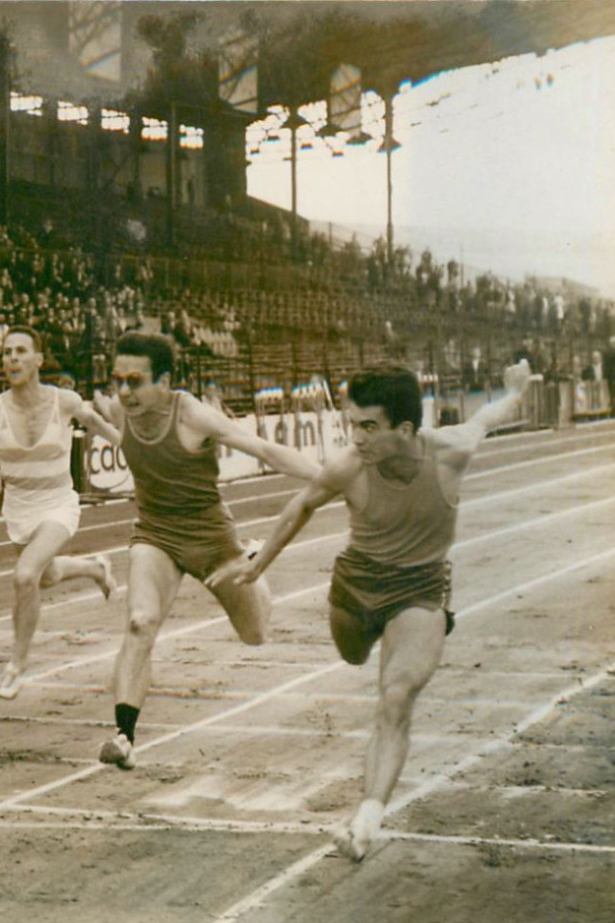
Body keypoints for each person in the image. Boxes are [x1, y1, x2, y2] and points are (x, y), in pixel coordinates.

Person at [210, 361, 537, 860]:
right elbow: (300, 506)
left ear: (405, 429)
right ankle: (368, 638)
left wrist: (515, 390)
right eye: (351, 424)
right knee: (353, 656)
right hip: (356, 587)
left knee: (396, 697)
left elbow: (488, 417)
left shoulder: (451, 454)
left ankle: (367, 818)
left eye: (368, 427)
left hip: (420, 588)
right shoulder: (349, 465)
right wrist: (257, 566)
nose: (356, 438)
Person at [93, 331, 321, 769]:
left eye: (135, 381)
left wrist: (331, 478)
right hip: (155, 533)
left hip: (213, 538)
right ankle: (124, 736)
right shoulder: (118, 409)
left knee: (255, 633)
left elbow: (263, 449)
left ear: (165, 381)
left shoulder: (192, 415)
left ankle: (254, 558)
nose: (124, 391)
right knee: (140, 623)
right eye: (117, 380)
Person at [0, 326, 120, 700]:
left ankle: (16, 665)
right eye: (6, 352)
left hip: (58, 503)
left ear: (38, 360)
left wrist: (128, 445)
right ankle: (95, 567)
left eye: (20, 351)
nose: (11, 358)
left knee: (24, 575)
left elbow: (95, 422)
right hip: (18, 508)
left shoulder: (63, 400)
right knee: (43, 578)